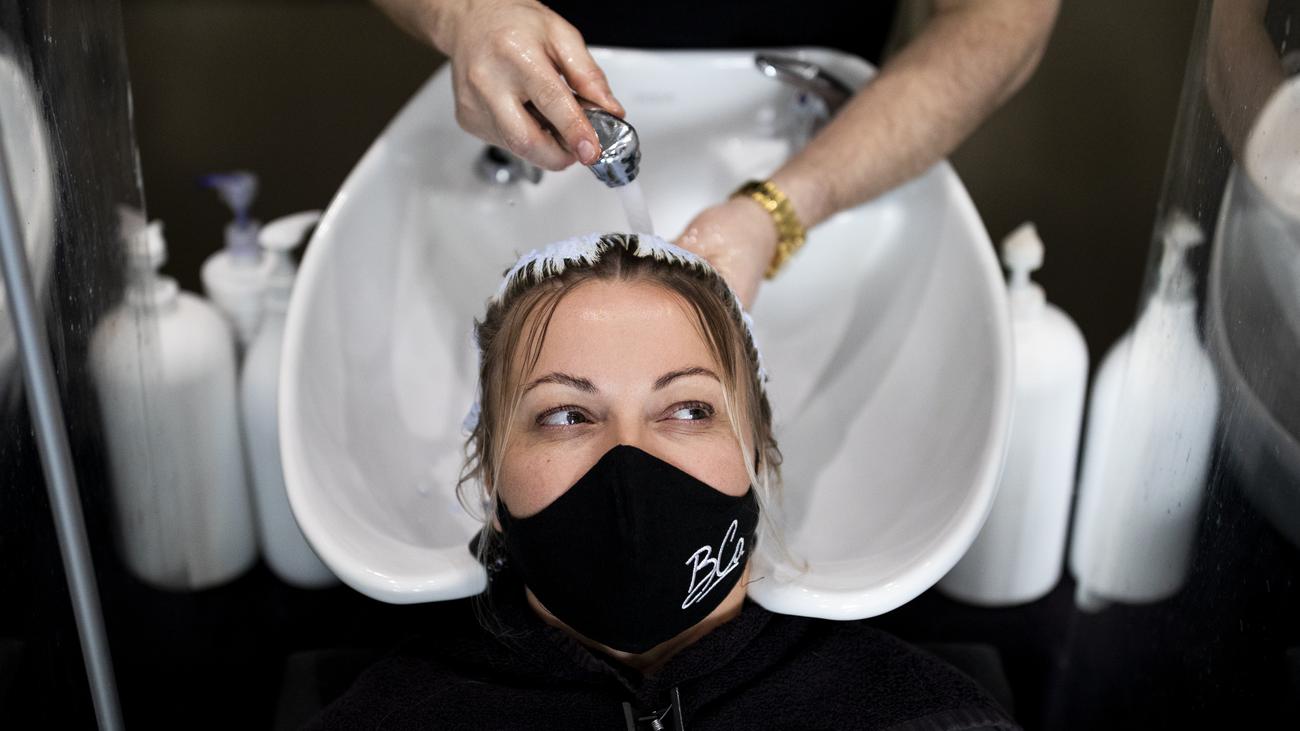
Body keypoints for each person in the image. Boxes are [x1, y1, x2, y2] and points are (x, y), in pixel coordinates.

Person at [307, 233, 1019, 729]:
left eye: (688, 409)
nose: (629, 457)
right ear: (490, 475)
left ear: (758, 452)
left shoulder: (923, 715)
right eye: (565, 414)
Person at [373, 0, 1059, 307]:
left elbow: (1000, 15)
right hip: (520, 127)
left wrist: (783, 209)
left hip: (823, 147)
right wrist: (463, 13)